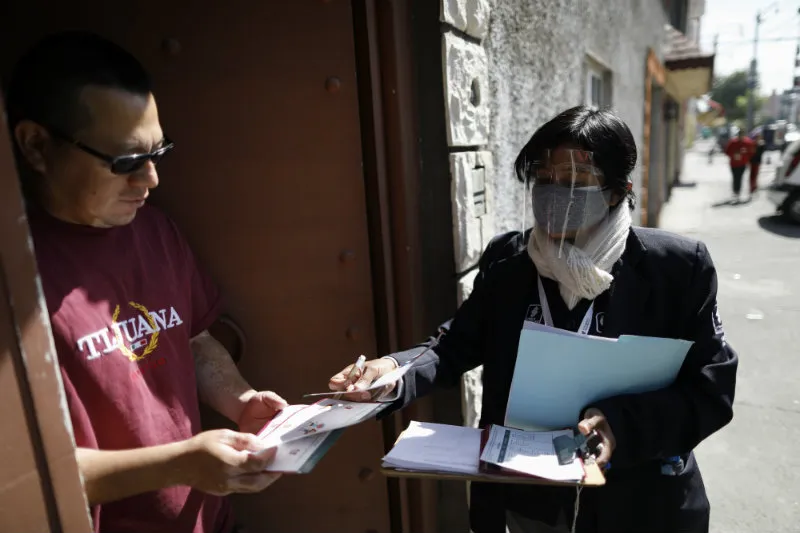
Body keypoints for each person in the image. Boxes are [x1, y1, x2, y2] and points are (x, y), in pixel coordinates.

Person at [329, 106, 738, 533]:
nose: (554, 193)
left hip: (640, 503)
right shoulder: (510, 261)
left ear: (618, 191)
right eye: (543, 180)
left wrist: (620, 425)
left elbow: (711, 390)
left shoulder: (676, 269)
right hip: (526, 502)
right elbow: (454, 345)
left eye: (575, 181)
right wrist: (393, 372)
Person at [5, 31, 286, 533]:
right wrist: (180, 464)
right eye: (127, 162)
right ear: (36, 146)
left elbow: (192, 340)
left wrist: (241, 402)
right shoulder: (14, 275)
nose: (151, 180)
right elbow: (23, 476)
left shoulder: (153, 229)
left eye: (159, 153)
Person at [724, 128, 755, 202]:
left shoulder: (748, 143)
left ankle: (738, 192)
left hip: (742, 164)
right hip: (733, 164)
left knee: (740, 177)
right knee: (735, 177)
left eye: (742, 135)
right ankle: (735, 191)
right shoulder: (732, 142)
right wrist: (733, 154)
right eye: (739, 135)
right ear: (738, 135)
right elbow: (727, 152)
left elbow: (751, 153)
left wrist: (745, 157)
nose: (741, 136)